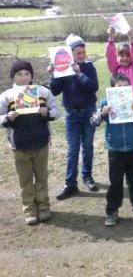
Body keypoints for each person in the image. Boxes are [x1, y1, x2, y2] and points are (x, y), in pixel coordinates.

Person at [0, 60, 60, 225]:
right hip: (19, 145)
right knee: (25, 180)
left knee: (41, 177)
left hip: (41, 143)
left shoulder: (42, 92)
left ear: (31, 75)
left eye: (27, 73)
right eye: (19, 74)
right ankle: (29, 210)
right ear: (13, 76)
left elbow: (56, 113)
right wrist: (7, 117)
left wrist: (46, 112)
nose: (24, 77)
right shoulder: (7, 96)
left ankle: (43, 206)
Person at [90, 74, 133, 227]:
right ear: (112, 89)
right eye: (118, 87)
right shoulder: (105, 103)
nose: (122, 90)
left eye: (125, 87)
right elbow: (93, 122)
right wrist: (103, 113)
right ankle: (112, 211)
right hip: (115, 149)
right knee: (115, 182)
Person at [49, 34, 99, 199]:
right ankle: (70, 184)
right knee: (72, 149)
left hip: (88, 110)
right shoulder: (62, 69)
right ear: (70, 53)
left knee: (88, 146)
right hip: (71, 113)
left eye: (83, 52)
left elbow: (93, 87)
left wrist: (79, 73)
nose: (82, 55)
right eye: (78, 53)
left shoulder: (89, 66)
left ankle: (87, 176)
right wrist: (52, 74)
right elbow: (55, 91)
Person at [106, 27, 133, 99]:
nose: (125, 58)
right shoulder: (115, 69)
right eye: (122, 56)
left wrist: (132, 41)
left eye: (128, 56)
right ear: (117, 57)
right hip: (119, 99)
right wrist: (111, 40)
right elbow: (110, 57)